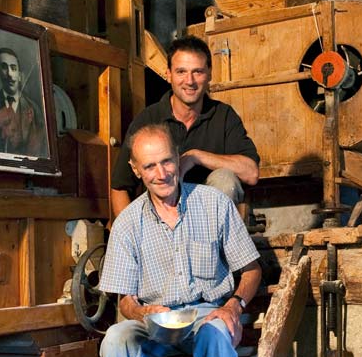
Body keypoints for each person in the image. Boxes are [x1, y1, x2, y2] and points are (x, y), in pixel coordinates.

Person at [78, 123, 262, 357]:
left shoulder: (214, 204)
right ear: (136, 170)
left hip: (205, 314)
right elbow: (125, 300)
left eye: (166, 162)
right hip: (154, 321)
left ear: (178, 159)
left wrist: (234, 305)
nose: (161, 174)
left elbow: (251, 270)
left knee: (217, 336)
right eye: (150, 166)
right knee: (115, 340)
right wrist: (143, 310)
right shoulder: (128, 223)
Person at [109, 35, 259, 219]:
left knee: (225, 179)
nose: (189, 81)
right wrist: (130, 232)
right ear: (168, 74)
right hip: (159, 221)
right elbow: (120, 187)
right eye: (181, 72)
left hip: (208, 221)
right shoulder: (148, 120)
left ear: (210, 74)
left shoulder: (224, 116)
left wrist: (196, 157)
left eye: (198, 72)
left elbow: (251, 173)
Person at [0, 47, 47, 156]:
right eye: (4, 67)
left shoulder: (33, 107)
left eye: (13, 68)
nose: (9, 74)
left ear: (19, 74)